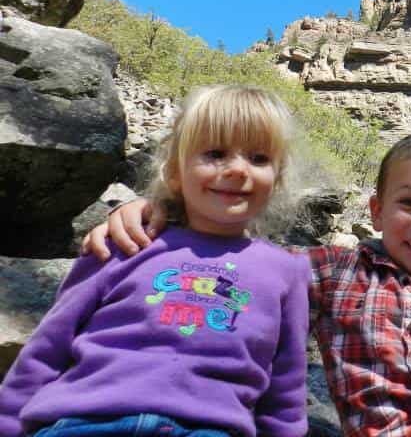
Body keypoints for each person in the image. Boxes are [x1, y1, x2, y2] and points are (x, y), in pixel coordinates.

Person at [84, 131, 411, 437]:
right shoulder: (337, 273)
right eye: (407, 204)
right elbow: (240, 258)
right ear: (377, 211)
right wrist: (156, 213)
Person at [0, 85, 311, 437]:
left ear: (277, 178)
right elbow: (48, 347)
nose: (239, 169)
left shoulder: (287, 272)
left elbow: (286, 389)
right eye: (215, 153)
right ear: (176, 170)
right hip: (84, 421)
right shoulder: (126, 243)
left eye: (259, 159)